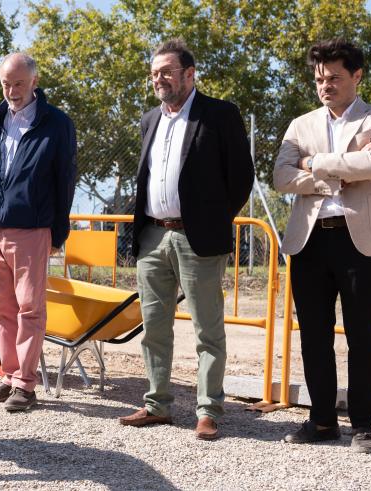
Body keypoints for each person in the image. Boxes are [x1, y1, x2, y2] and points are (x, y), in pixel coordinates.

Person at [118, 39, 254, 440]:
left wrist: (210, 218)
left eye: (167, 71)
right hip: (153, 237)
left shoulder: (220, 115)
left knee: (207, 330)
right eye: (154, 72)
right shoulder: (149, 120)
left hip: (198, 240)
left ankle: (209, 409)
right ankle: (157, 403)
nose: (159, 78)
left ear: (189, 75)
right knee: (154, 326)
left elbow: (241, 178)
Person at [273, 39, 371, 453]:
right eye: (318, 79)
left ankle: (363, 426)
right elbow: (280, 176)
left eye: (334, 78)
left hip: (359, 240)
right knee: (313, 335)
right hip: (310, 240)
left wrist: (313, 163)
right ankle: (322, 421)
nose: (324, 86)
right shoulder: (300, 124)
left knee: (364, 335)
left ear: (357, 76)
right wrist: (334, 172)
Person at [0, 52, 77, 412]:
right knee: (1, 310)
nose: (12, 91)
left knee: (29, 309)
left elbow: (65, 181)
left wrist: (57, 232)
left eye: (19, 84)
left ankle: (26, 385)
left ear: (35, 83)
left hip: (32, 229)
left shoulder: (57, 123)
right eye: (6, 84)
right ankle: (9, 376)